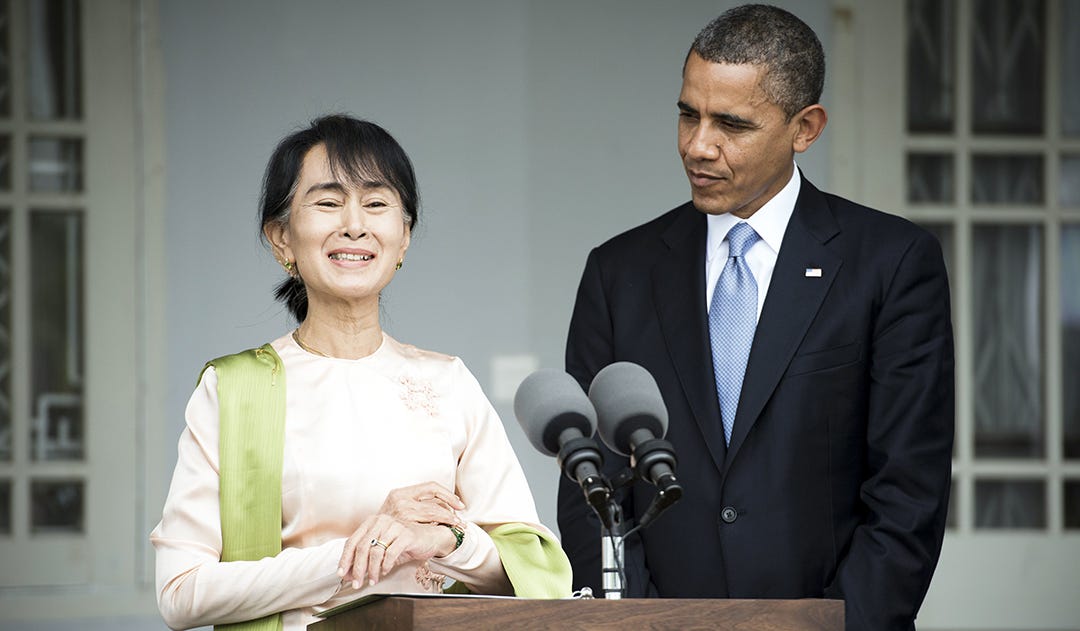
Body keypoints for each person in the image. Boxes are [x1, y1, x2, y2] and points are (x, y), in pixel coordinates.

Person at [557, 5, 953, 630]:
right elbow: (591, 491)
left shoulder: (892, 262)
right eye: (688, 114)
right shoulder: (619, 271)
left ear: (806, 127)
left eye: (731, 124)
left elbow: (907, 492)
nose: (697, 145)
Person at [152, 114, 570, 631]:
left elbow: (532, 572)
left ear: (404, 237)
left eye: (376, 204)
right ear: (282, 236)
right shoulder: (233, 390)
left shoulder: (448, 383)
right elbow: (180, 593)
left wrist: (448, 539)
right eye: (327, 203)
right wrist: (355, 555)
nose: (354, 224)